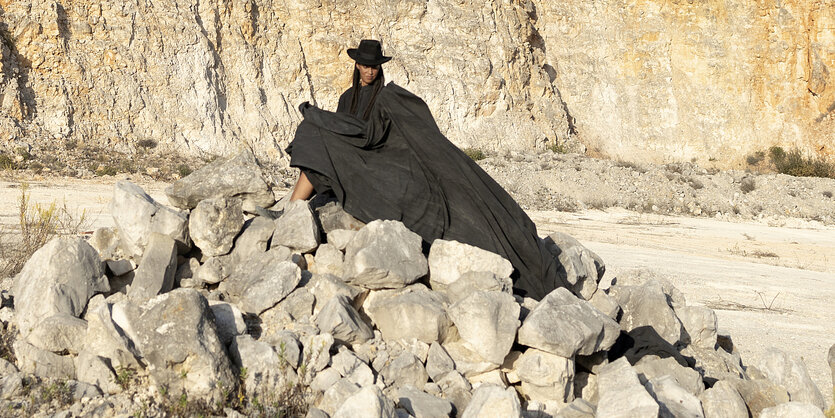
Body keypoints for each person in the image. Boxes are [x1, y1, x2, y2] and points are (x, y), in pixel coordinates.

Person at [285, 39, 563, 299]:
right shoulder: (347, 98)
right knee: (315, 134)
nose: (370, 71)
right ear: (357, 65)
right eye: (365, 65)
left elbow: (402, 136)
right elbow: (344, 134)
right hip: (356, 162)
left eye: (374, 66)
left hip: (380, 165)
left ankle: (291, 215)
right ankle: (291, 213)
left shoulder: (388, 99)